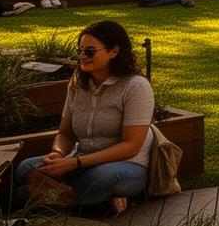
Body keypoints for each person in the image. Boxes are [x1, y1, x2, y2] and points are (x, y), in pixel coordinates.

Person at [13, 20, 155, 213]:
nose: (82, 56)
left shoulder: (136, 86)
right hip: (80, 161)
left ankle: (44, 199)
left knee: (100, 179)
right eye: (79, 50)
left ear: (114, 51)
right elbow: (66, 133)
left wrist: (74, 164)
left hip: (125, 166)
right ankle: (95, 202)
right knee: (25, 168)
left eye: (89, 51)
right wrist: (58, 154)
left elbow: (130, 147)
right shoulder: (78, 84)